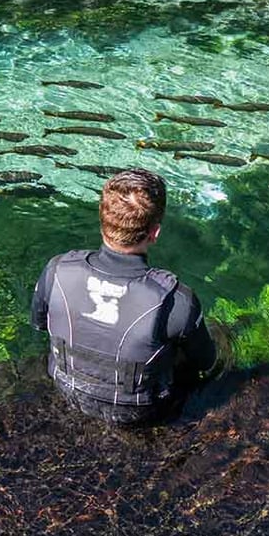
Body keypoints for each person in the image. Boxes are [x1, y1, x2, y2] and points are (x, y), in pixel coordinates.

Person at [30, 168, 218, 426]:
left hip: (67, 390)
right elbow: (206, 362)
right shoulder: (177, 301)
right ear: (154, 232)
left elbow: (40, 324)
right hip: (137, 412)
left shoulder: (57, 270)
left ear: (103, 222)